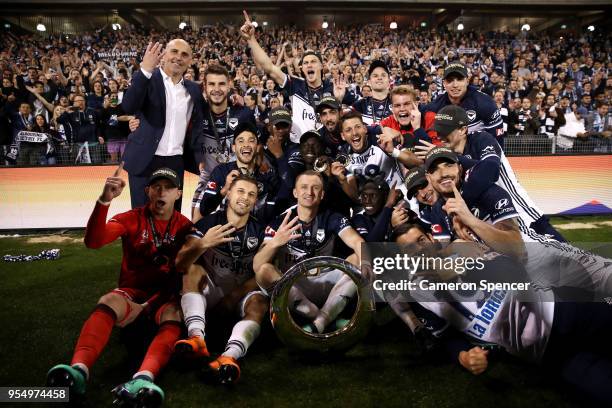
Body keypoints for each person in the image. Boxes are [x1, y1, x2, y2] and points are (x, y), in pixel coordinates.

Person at [392, 222, 612, 405]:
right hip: (549, 355)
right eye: (409, 249)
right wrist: (463, 356)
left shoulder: (462, 250)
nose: (419, 250)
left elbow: (515, 272)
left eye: (421, 241)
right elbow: (447, 336)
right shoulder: (418, 295)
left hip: (567, 309)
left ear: (431, 238)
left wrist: (467, 268)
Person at [46, 165, 192, 406]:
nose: (162, 192)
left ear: (178, 193)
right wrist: (104, 201)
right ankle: (78, 371)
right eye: (156, 187)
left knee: (175, 312)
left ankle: (144, 378)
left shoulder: (186, 227)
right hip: (131, 294)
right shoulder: (131, 218)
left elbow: (182, 275)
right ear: (148, 191)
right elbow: (93, 242)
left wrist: (146, 306)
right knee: (108, 300)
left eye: (168, 188)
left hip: (163, 298)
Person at [174, 176, 267, 384]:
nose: (245, 197)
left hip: (241, 294)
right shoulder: (208, 223)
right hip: (212, 290)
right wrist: (203, 244)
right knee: (192, 269)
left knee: (260, 301)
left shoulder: (261, 230)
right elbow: (180, 264)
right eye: (240, 191)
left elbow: (263, 273)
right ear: (229, 194)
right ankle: (197, 338)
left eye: (251, 194)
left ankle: (230, 355)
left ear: (255, 201)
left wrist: (234, 296)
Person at [254, 170, 365, 334]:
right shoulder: (281, 220)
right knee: (264, 271)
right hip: (295, 285)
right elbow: (257, 265)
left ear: (322, 194)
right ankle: (322, 318)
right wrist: (275, 242)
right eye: (304, 187)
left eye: (315, 188)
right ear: (295, 192)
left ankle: (320, 322)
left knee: (360, 258)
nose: (309, 192)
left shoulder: (332, 217)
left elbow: (357, 242)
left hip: (326, 281)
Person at [240, 11, 352, 143]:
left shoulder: (334, 87)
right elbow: (268, 67)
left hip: (327, 144)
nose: (309, 65)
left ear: (322, 66)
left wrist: (338, 100)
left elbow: (348, 122)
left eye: (313, 61)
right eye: (305, 63)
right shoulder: (295, 84)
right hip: (299, 145)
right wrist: (251, 39)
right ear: (301, 68)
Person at [121, 40, 205, 209]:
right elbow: (128, 106)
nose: (178, 57)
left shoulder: (194, 90)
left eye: (184, 55)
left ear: (190, 61)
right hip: (144, 159)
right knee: (141, 218)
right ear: (164, 55)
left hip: (175, 161)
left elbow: (202, 121)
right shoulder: (147, 78)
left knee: (171, 218)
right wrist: (145, 69)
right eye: (174, 51)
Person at [196, 122, 279, 223]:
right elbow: (204, 210)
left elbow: (274, 215)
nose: (246, 145)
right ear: (234, 147)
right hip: (223, 231)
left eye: (251, 141)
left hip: (252, 235)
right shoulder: (221, 171)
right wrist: (225, 189)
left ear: (257, 147)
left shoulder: (267, 177)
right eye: (241, 141)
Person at [424, 63, 504, 147]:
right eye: (450, 80)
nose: (455, 85)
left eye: (459, 79)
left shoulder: (485, 102)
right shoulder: (434, 107)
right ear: (444, 84)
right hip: (449, 155)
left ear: (467, 81)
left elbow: (497, 142)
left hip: (482, 154)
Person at [352, 60, 392, 125]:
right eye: (375, 75)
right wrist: (339, 98)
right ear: (369, 82)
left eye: (383, 75)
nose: (379, 78)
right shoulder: (359, 105)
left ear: (389, 81)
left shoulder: (398, 104)